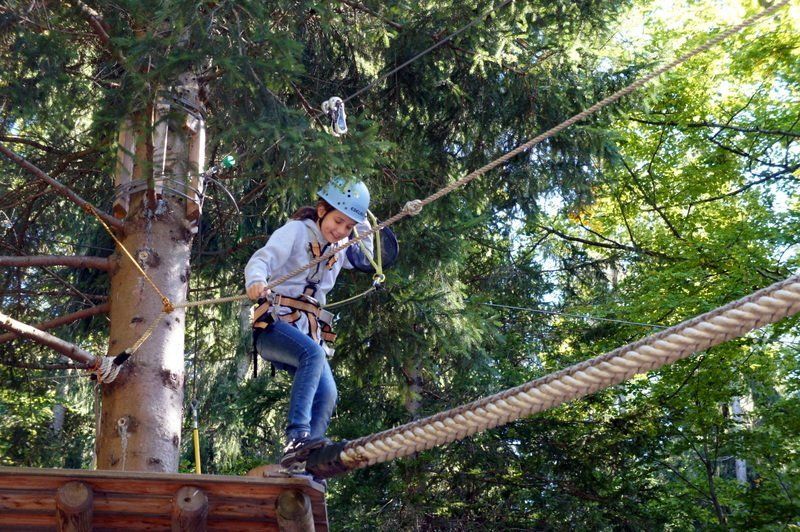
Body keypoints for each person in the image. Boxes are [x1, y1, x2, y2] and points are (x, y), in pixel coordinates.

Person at [244, 177, 374, 471]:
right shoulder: (297, 231)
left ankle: (307, 461)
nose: (340, 230)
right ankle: (297, 438)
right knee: (312, 355)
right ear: (322, 210)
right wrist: (256, 280)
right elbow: (262, 259)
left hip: (306, 331)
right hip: (274, 327)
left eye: (348, 227)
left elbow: (366, 256)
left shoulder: (340, 246)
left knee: (328, 392)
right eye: (338, 221)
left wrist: (363, 222)